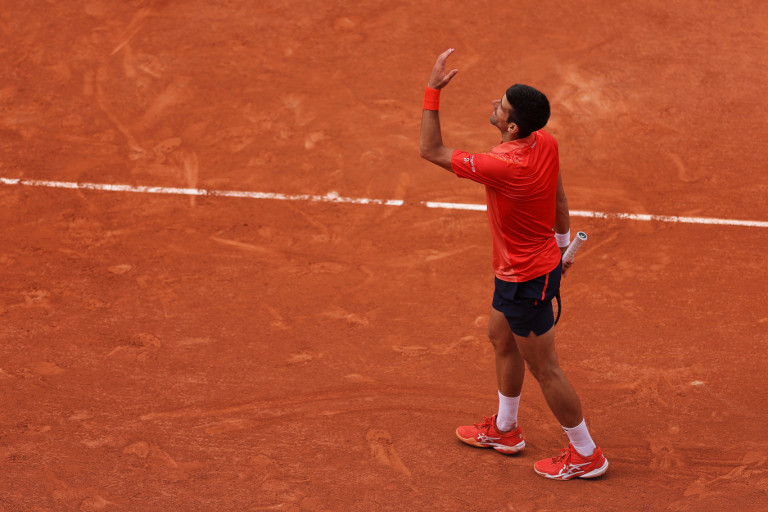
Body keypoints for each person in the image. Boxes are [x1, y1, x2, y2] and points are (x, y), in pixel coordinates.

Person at [418, 48, 608, 480]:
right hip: (525, 271)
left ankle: (586, 453)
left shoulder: (502, 164)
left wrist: (432, 91)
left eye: (500, 107)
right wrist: (562, 247)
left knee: (546, 368)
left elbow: (430, 149)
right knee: (500, 337)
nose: (494, 106)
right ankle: (505, 430)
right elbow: (560, 201)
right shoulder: (546, 142)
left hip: (527, 279)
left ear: (512, 126)